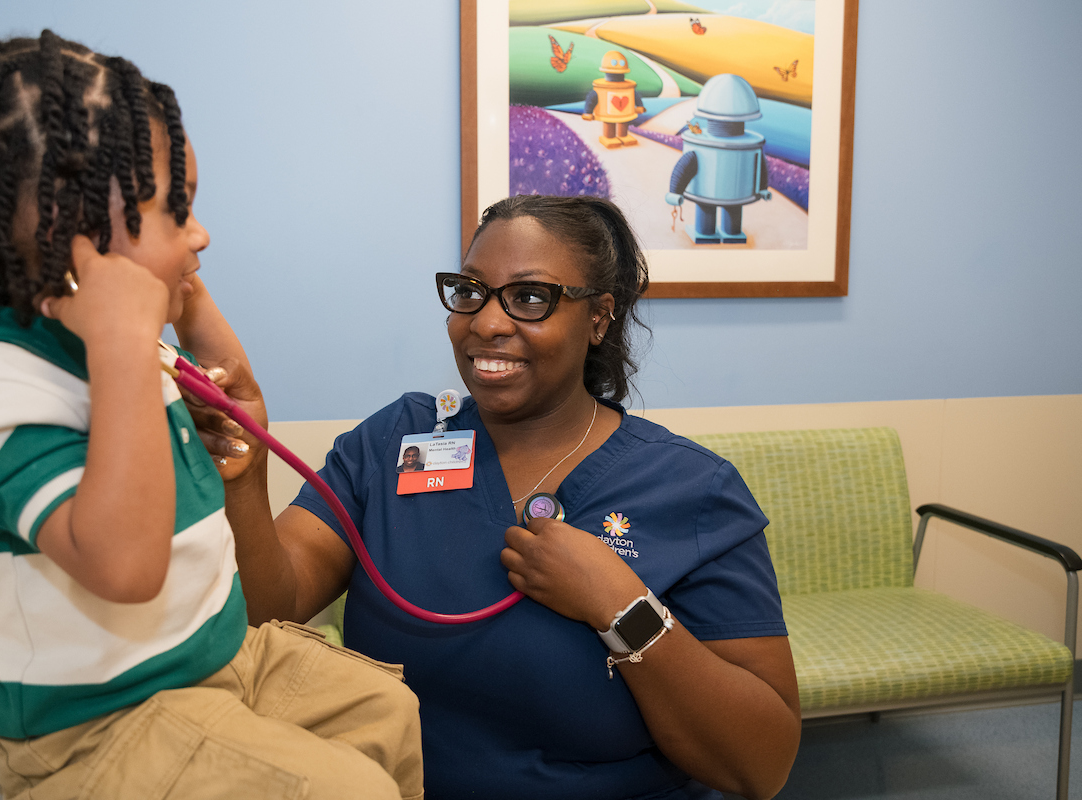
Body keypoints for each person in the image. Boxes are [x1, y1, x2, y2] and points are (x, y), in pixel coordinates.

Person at [0, 32, 422, 800]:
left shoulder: (103, 325)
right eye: (174, 211)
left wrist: (186, 290)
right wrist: (122, 347)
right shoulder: (0, 384)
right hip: (94, 723)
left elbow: (228, 380)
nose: (201, 231)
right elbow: (123, 567)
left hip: (210, 657)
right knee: (350, 791)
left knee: (388, 711)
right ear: (69, 236)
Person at [206, 195, 801, 800]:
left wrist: (622, 607)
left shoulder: (691, 488)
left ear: (599, 317)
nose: (486, 322)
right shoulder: (392, 443)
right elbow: (263, 610)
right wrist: (243, 477)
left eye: (530, 297)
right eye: (471, 291)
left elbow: (761, 765)